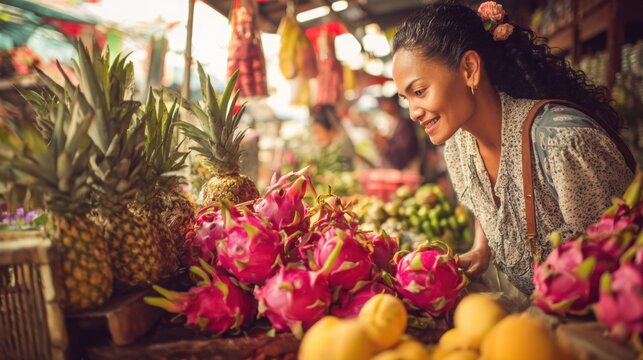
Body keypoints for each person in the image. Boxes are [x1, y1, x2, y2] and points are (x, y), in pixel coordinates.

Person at [391, 0, 636, 295]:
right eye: (407, 99)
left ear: (469, 68)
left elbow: (624, 267)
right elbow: (493, 209)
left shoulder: (563, 143)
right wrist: (483, 248)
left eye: (420, 91)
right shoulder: (458, 147)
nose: (413, 112)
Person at [372, 95, 421, 171]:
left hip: (409, 165)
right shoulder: (394, 121)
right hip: (399, 165)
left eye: (386, 104)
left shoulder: (405, 123)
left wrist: (386, 143)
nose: (384, 107)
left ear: (394, 104)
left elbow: (405, 147)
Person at [310, 104, 357, 172]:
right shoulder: (324, 151)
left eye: (318, 132)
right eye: (314, 133)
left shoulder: (342, 149)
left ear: (331, 130)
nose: (316, 137)